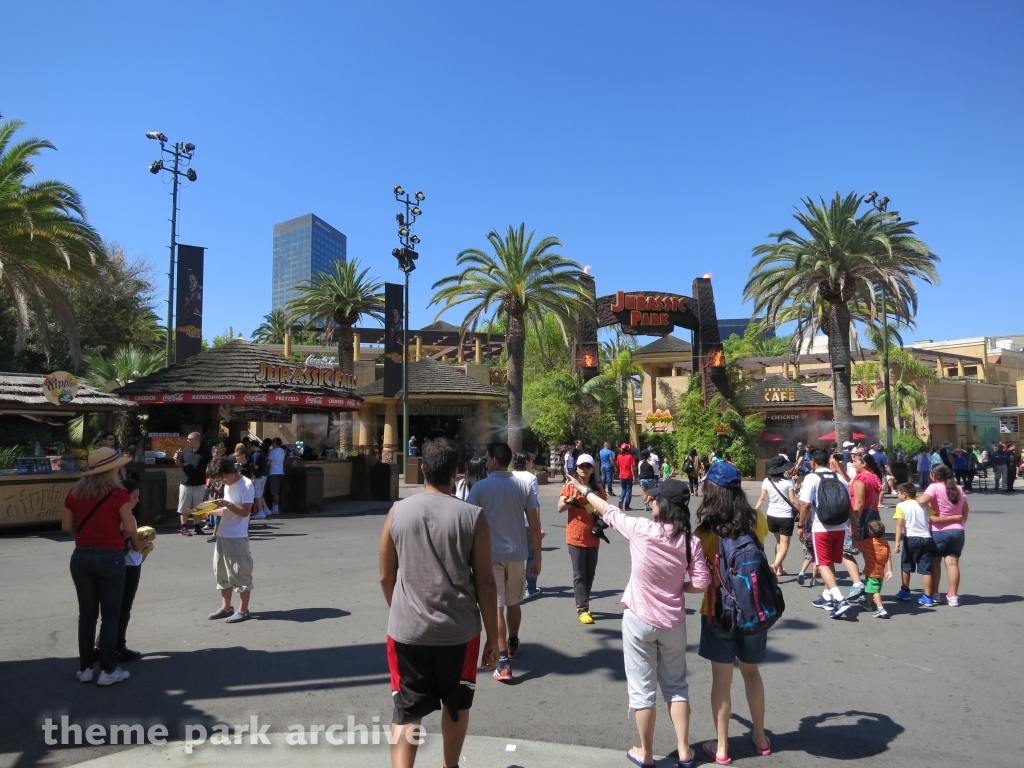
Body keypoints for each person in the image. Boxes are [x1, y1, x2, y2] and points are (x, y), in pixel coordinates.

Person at [565, 473, 710, 768]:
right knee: (676, 686)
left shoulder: (642, 529)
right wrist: (677, 587)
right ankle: (684, 750)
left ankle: (646, 753)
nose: (651, 499)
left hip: (639, 619)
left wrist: (583, 490)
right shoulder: (690, 541)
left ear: (664, 504)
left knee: (643, 691)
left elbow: (609, 511)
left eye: (656, 497)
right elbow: (701, 582)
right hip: (673, 621)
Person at [378, 437, 499, 768]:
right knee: (456, 704)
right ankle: (450, 765)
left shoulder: (397, 512)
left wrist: (402, 609)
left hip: (407, 630)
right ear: (456, 473)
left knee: (407, 710)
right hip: (459, 631)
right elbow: (486, 584)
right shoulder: (473, 516)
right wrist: (494, 637)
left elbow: (386, 576)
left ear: (422, 469)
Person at [694, 463, 772, 765]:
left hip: (717, 610)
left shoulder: (704, 531)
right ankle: (761, 737)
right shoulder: (757, 519)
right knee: (751, 672)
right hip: (753, 608)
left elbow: (698, 571)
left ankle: (722, 747)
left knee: (721, 680)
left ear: (711, 491)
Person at [62, 447, 140, 685]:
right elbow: (129, 528)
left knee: (86, 616)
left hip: (81, 555)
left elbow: (67, 526)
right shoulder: (118, 495)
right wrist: (115, 538)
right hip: (110, 556)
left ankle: (85, 669)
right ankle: (108, 671)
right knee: (110, 616)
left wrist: (88, 536)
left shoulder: (75, 492)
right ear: (112, 469)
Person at [466, 442, 542, 683]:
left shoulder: (480, 487)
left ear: (493, 459)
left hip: (489, 556)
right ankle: (513, 641)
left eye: (487, 457)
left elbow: (467, 521)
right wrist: (537, 557)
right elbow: (535, 525)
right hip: (517, 553)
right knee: (514, 602)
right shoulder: (523, 485)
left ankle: (502, 662)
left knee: (496, 607)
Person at [797, 449, 856, 618]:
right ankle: (827, 597)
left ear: (813, 461)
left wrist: (801, 525)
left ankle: (839, 600)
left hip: (821, 527)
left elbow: (805, 505)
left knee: (822, 563)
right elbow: (849, 505)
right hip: (840, 527)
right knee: (829, 562)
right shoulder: (839, 478)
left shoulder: (812, 478)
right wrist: (854, 526)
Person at [557, 454, 606, 624]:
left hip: (592, 536)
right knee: (579, 574)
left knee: (589, 574)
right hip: (575, 536)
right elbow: (560, 508)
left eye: (588, 466)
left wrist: (593, 507)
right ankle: (582, 609)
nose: (584, 469)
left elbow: (604, 510)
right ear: (576, 468)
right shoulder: (569, 486)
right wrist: (572, 498)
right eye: (581, 466)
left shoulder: (598, 489)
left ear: (593, 469)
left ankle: (584, 603)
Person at [206, 457, 256, 623]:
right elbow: (228, 512)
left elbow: (245, 512)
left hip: (237, 536)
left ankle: (244, 610)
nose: (223, 482)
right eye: (219, 480)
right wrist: (208, 511)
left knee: (240, 573)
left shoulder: (246, 485)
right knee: (222, 573)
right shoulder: (228, 486)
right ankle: (226, 607)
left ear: (230, 471)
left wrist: (227, 504)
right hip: (223, 534)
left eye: (223, 478)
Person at [115, 479, 156, 660]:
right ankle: (119, 646)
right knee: (124, 608)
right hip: (129, 565)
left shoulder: (111, 515)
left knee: (110, 609)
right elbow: (137, 547)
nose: (137, 500)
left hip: (113, 562)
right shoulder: (128, 517)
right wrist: (148, 539)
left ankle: (102, 644)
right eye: (135, 497)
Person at [917, 464, 969, 607]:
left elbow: (922, 501)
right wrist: (959, 523)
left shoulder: (934, 487)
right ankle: (953, 596)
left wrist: (916, 498)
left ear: (933, 476)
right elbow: (965, 510)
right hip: (958, 530)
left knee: (935, 562)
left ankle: (935, 593)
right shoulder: (958, 488)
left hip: (938, 530)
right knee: (953, 564)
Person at [892, 483, 936, 605]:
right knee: (926, 568)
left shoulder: (901, 506)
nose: (898, 496)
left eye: (899, 493)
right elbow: (933, 516)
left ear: (904, 494)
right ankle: (927, 596)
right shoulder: (923, 505)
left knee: (906, 565)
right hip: (926, 538)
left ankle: (905, 591)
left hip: (911, 538)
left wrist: (897, 542)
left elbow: (900, 524)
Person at [754, 455, 798, 576]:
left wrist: (755, 511)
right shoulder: (788, 482)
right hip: (785, 516)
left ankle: (780, 569)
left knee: (779, 542)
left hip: (771, 515)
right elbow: (793, 500)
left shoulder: (766, 481)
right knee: (784, 545)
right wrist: (803, 511)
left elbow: (762, 498)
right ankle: (775, 566)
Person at [512, 452, 545, 598]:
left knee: (515, 556)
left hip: (512, 521)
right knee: (532, 554)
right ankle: (530, 588)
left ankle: (515, 586)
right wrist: (538, 525)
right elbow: (534, 504)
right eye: (531, 460)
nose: (532, 463)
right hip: (527, 521)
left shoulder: (510, 476)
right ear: (526, 462)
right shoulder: (531, 478)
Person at [855, 520, 893, 618]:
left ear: (869, 532)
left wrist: (854, 536)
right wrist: (889, 570)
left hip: (871, 571)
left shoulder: (869, 542)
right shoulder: (885, 543)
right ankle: (868, 603)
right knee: (871, 588)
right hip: (880, 571)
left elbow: (857, 545)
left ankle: (880, 608)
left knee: (875, 590)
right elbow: (888, 556)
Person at [175, 432, 211, 536]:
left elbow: (210, 464)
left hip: (200, 483)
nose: (187, 440)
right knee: (184, 507)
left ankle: (197, 527)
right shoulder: (186, 450)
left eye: (189, 439)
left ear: (196, 440)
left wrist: (209, 477)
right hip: (186, 483)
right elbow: (180, 464)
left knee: (198, 507)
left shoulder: (205, 451)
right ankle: (183, 528)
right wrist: (176, 460)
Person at [617, 442, 638, 511]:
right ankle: (627, 506)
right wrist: (634, 476)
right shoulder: (630, 456)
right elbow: (632, 467)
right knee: (628, 490)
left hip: (621, 475)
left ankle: (621, 499)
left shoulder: (619, 456)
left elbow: (618, 465)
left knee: (623, 489)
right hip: (629, 475)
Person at [267, 437, 286, 513]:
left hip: (273, 472)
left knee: (274, 491)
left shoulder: (273, 451)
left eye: (272, 442)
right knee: (278, 490)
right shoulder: (282, 451)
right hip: (281, 471)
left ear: (275, 442)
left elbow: (268, 462)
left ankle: (275, 507)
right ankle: (276, 506)